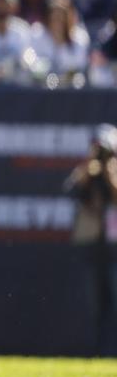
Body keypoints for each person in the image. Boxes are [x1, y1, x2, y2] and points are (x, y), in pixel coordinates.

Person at [63, 124, 117, 356]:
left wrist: (110, 171)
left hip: (114, 248)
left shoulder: (113, 170)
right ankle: (97, 351)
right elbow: (71, 190)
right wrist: (90, 165)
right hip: (93, 247)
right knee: (95, 303)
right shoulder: (86, 170)